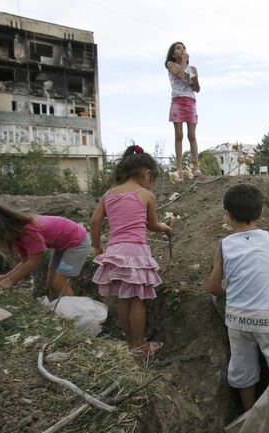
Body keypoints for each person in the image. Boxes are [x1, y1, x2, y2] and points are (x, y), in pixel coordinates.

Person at [208, 183, 269, 410]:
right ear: (261, 212)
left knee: (243, 366)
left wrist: (229, 286)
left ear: (227, 215)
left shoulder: (223, 245)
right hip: (267, 317)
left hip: (237, 320)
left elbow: (214, 288)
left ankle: (249, 412)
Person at [91, 144, 172, 361]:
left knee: (123, 300)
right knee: (138, 300)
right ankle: (140, 347)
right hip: (135, 251)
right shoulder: (145, 195)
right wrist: (165, 228)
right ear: (146, 174)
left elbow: (95, 221)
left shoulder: (109, 194)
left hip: (115, 252)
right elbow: (152, 225)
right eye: (151, 179)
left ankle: (130, 345)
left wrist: (97, 247)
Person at [0, 203, 90, 301]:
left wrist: (10, 281)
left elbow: (34, 261)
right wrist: (5, 276)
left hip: (77, 244)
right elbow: (25, 261)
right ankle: (56, 312)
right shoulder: (17, 235)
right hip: (63, 246)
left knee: (59, 282)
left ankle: (71, 314)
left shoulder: (29, 231)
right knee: (50, 283)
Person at [165, 41, 201, 184]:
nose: (182, 50)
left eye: (183, 48)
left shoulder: (192, 69)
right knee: (178, 135)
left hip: (190, 101)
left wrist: (195, 79)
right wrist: (184, 61)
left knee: (191, 135)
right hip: (177, 101)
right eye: (178, 48)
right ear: (173, 54)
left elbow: (197, 89)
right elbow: (179, 75)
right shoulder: (171, 64)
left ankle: (195, 167)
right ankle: (179, 169)